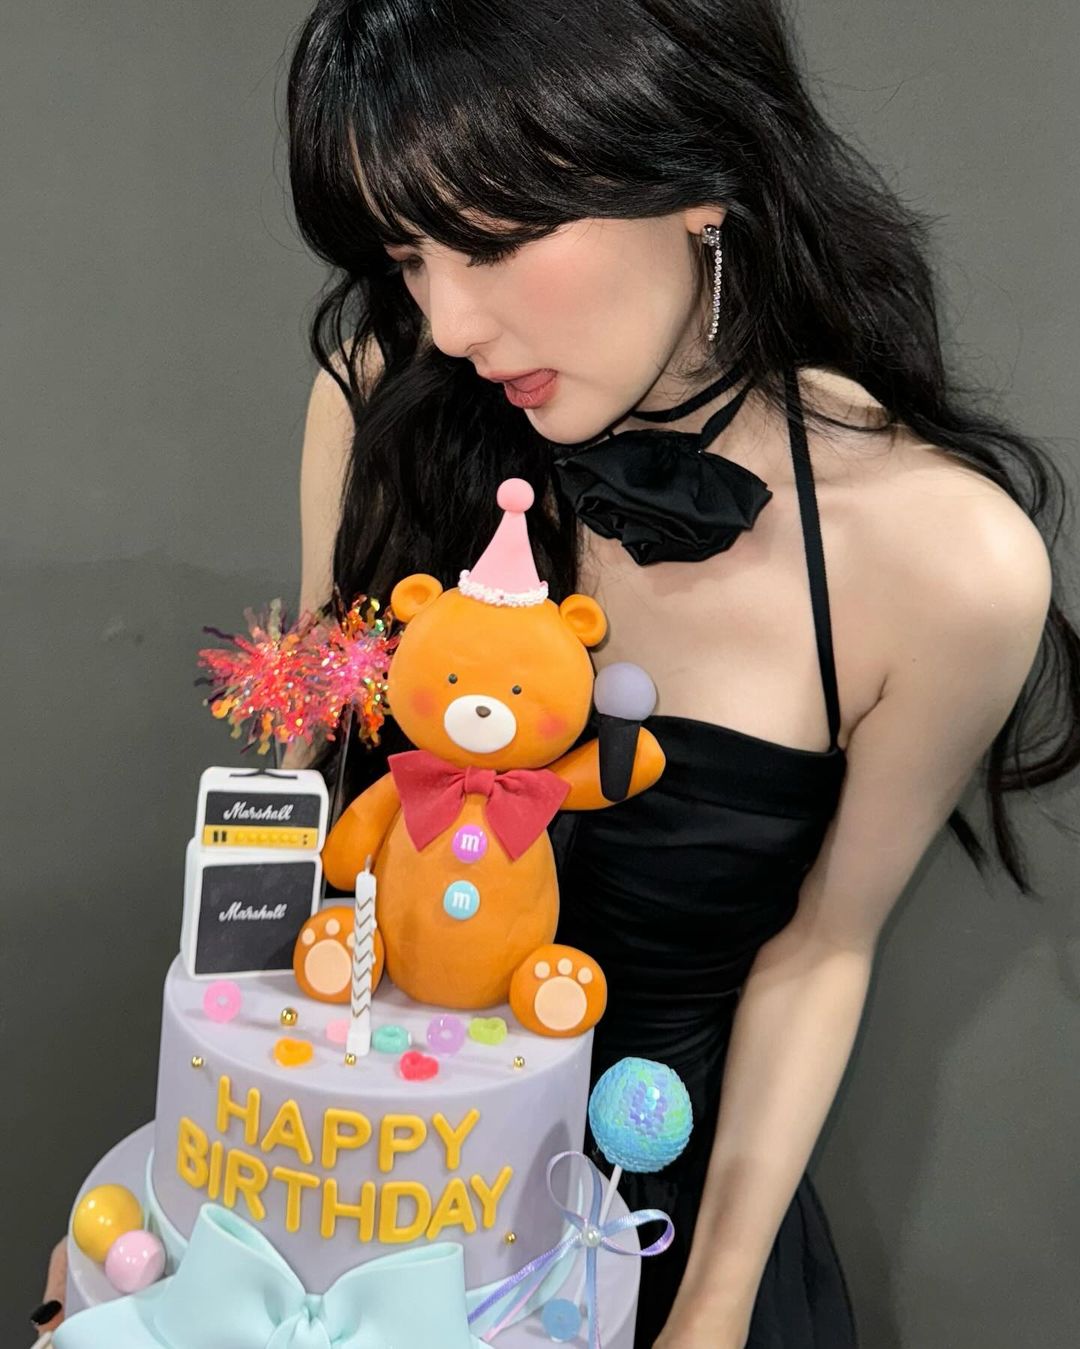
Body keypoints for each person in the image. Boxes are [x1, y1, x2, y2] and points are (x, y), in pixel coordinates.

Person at [35, 1, 1078, 1345]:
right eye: (408, 255)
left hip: (655, 1232)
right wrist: (151, 1248)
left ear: (699, 180)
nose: (449, 323)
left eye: (489, 239)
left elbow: (824, 949)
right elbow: (298, 808)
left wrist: (707, 1312)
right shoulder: (377, 400)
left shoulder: (948, 565)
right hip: (326, 1223)